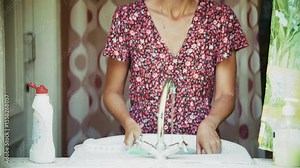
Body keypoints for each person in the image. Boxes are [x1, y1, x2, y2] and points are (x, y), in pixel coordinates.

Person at [102, 0, 248, 154]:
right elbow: (112, 92)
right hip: (144, 146)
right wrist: (128, 123)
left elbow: (226, 94)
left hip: (198, 146)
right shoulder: (127, 17)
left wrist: (210, 124)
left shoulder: (220, 18)